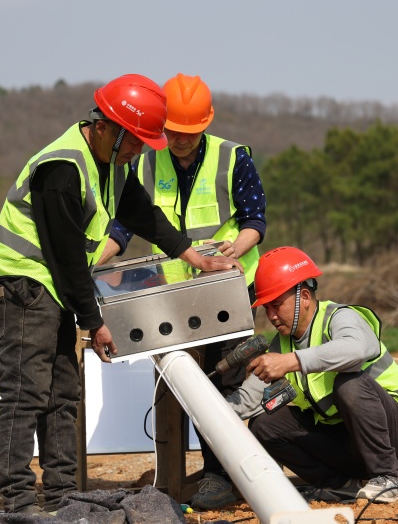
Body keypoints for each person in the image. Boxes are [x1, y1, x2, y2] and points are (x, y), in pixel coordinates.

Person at [0, 74, 242, 517]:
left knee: (63, 393)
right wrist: (94, 322)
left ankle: (62, 496)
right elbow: (66, 258)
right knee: (26, 393)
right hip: (24, 282)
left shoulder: (111, 164)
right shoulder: (61, 170)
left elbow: (144, 215)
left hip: (54, 285)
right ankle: (19, 502)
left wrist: (196, 259)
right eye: (134, 141)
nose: (138, 151)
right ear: (104, 127)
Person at [99, 73, 267, 510]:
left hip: (229, 288)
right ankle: (176, 474)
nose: (180, 140)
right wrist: (95, 261)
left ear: (205, 124)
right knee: (182, 380)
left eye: (190, 132)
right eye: (173, 131)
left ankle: (221, 475)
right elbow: (123, 226)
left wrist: (235, 249)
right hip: (171, 292)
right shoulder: (143, 163)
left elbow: (255, 219)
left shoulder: (233, 158)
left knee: (225, 380)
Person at [225, 246, 398, 504]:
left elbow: (357, 348)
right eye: (266, 308)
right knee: (265, 424)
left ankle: (388, 479)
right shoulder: (281, 345)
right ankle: (340, 486)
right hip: (350, 444)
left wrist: (291, 361)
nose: (271, 316)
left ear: (304, 297)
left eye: (276, 305)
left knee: (349, 385)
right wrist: (205, 409)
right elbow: (247, 400)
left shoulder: (341, 318)